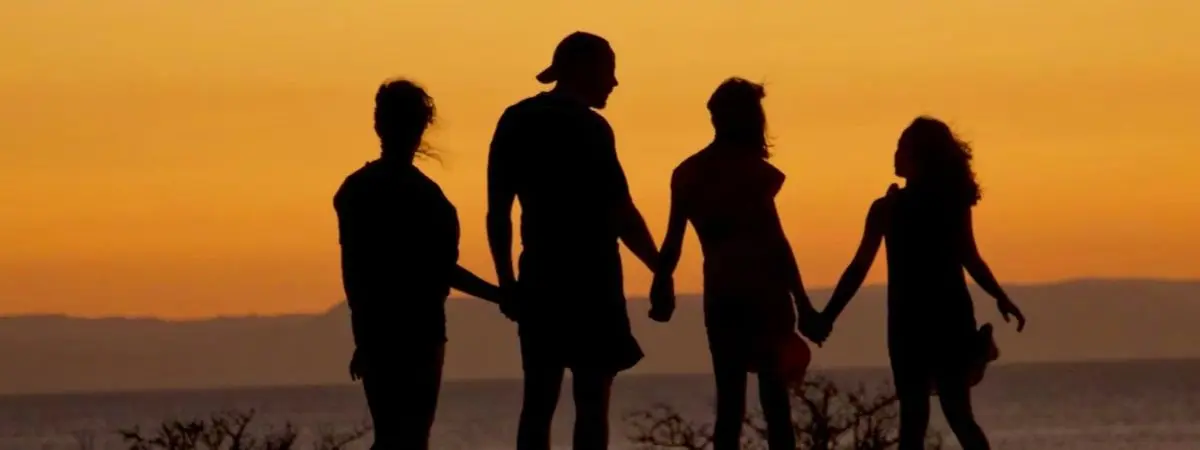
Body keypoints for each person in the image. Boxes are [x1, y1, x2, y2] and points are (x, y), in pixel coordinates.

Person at [486, 31, 662, 450]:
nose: (614, 83)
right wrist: (661, 268)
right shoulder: (592, 128)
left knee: (538, 401)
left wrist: (508, 282)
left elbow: (498, 213)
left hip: (540, 279)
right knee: (591, 402)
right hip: (592, 282)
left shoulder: (515, 119)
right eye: (609, 71)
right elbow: (622, 210)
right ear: (585, 70)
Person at [816, 117, 1027, 450]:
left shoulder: (892, 208)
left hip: (916, 323)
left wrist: (827, 316)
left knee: (917, 422)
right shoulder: (934, 206)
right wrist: (999, 296)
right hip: (938, 318)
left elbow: (858, 269)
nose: (895, 153)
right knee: (955, 417)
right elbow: (969, 257)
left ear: (920, 156)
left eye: (902, 147)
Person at [651, 78, 821, 450]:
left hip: (722, 294)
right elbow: (776, 243)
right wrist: (804, 302)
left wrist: (662, 284)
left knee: (730, 404)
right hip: (764, 295)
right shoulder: (752, 173)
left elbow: (672, 242)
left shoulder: (689, 172)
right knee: (774, 405)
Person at [334, 79, 503, 450]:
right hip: (413, 332)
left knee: (396, 436)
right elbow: (438, 270)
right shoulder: (418, 196)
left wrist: (364, 337)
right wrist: (500, 296)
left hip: (395, 331)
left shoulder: (361, 190)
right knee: (408, 437)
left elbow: (356, 276)